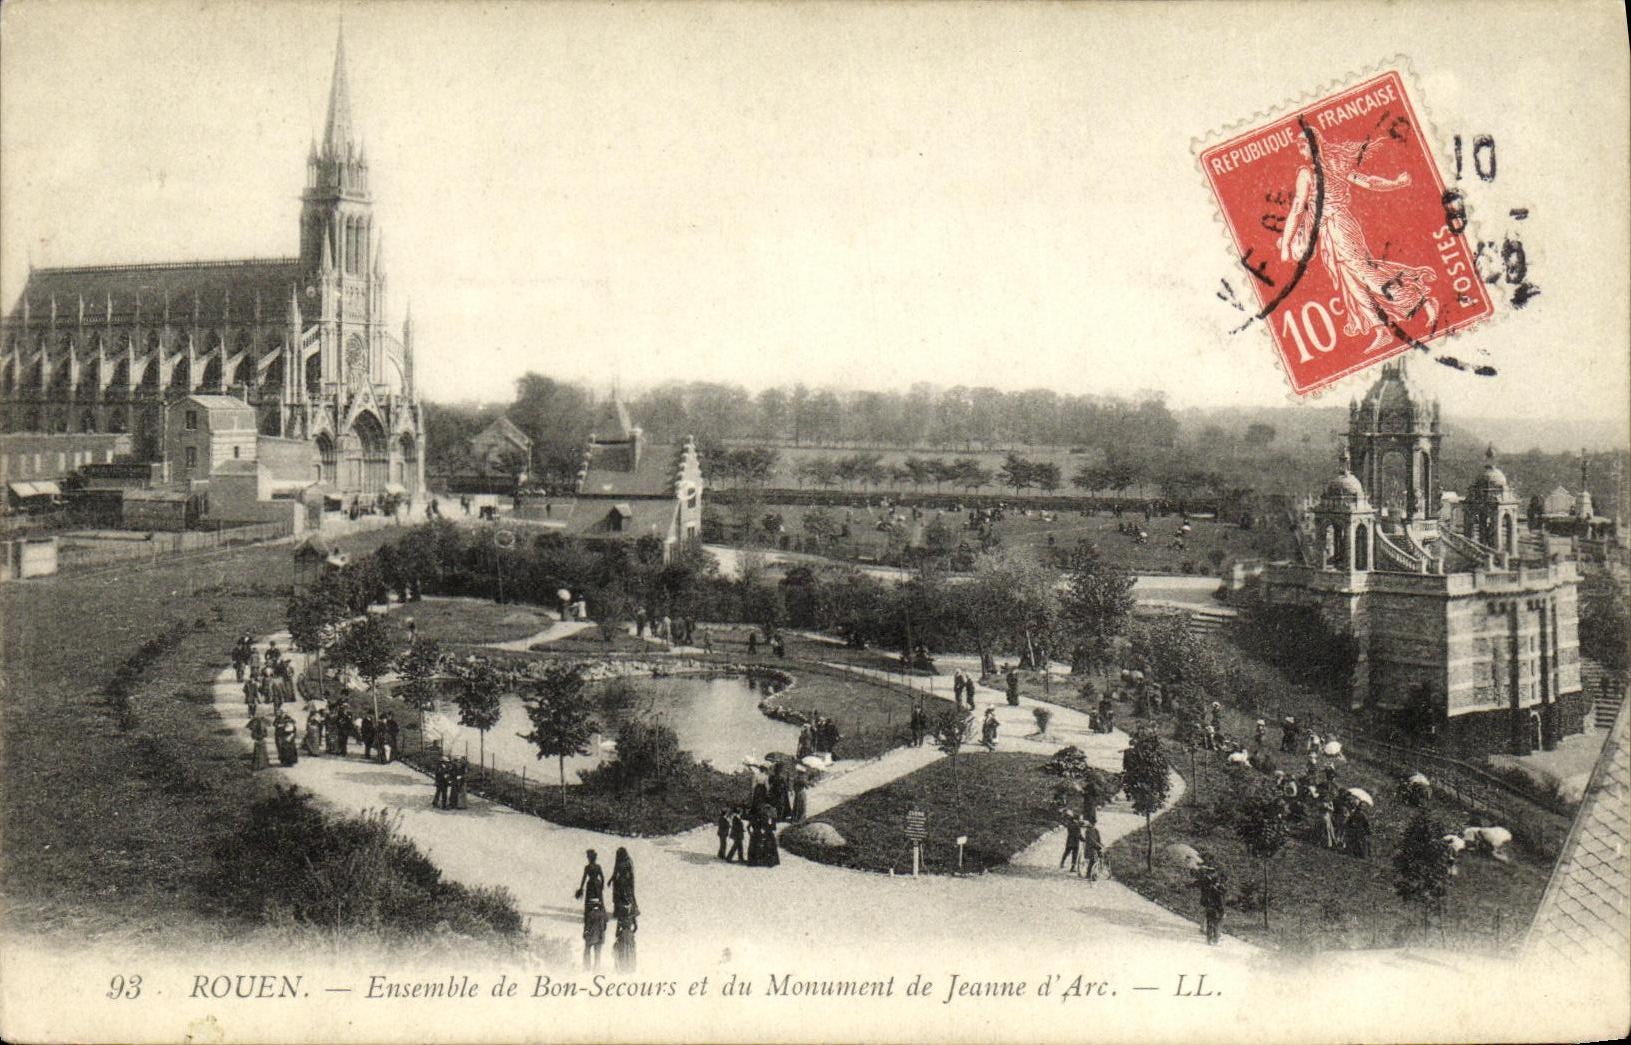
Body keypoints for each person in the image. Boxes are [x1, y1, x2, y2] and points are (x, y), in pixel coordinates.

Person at [1278, 128, 1438, 355]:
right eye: (1298, 144)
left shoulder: (1312, 173)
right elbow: (1368, 183)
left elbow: (1297, 209)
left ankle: (1420, 300)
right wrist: (1396, 183)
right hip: (1330, 232)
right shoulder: (1330, 167)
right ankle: (1380, 329)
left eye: (1303, 143)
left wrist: (1286, 244)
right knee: (1350, 281)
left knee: (1365, 273)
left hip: (1339, 226)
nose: (1299, 147)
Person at [611, 848, 638, 971]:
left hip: (623, 884)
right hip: (629, 934)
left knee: (622, 952)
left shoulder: (625, 863)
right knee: (630, 952)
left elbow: (618, 926)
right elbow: (636, 926)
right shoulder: (631, 911)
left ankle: (622, 966)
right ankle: (630, 966)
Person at [1194, 854, 1226, 944]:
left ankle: (1210, 937)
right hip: (1213, 905)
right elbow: (1220, 898)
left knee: (1209, 920)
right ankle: (1215, 937)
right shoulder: (1215, 886)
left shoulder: (1208, 881)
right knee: (1214, 921)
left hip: (1208, 903)